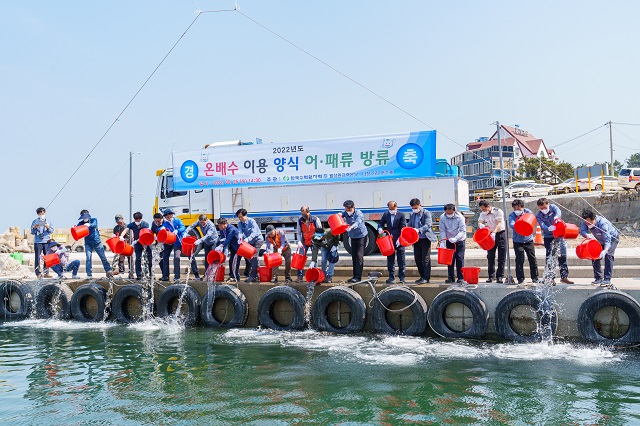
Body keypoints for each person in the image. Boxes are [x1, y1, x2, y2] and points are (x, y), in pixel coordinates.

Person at [535, 198, 573, 284]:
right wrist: (548, 228)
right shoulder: (539, 215)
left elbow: (558, 212)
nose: (543, 210)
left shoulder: (553, 208)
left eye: (545, 207)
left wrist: (556, 217)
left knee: (562, 255)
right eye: (541, 208)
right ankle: (550, 278)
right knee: (550, 257)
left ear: (548, 204)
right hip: (548, 237)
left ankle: (564, 276)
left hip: (559, 236)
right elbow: (542, 225)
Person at [579, 208, 619, 285]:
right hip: (599, 240)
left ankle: (607, 279)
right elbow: (582, 231)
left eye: (590, 223)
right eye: (586, 223)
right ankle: (598, 278)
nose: (588, 225)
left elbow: (607, 240)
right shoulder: (586, 221)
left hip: (612, 239)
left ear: (594, 219)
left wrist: (605, 250)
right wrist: (587, 235)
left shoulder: (603, 224)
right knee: (594, 255)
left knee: (608, 255)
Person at [509, 199, 539, 284]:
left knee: (532, 258)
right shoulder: (512, 215)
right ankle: (520, 278)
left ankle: (535, 277)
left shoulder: (527, 212)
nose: (517, 211)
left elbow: (532, 218)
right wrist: (519, 224)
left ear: (523, 207)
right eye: (515, 209)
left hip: (528, 240)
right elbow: (512, 224)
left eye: (519, 209)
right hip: (518, 241)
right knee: (519, 259)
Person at [408, 198, 437, 284]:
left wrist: (419, 230)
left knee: (425, 258)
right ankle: (422, 276)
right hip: (416, 240)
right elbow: (409, 224)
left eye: (416, 208)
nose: (414, 209)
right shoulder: (412, 214)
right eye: (413, 208)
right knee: (417, 258)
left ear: (420, 205)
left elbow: (428, 225)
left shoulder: (426, 213)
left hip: (425, 238)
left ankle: (426, 277)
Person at [377, 201, 407, 284]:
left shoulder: (401, 215)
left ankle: (402, 277)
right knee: (390, 259)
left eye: (393, 209)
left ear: (396, 207)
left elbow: (403, 227)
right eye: (390, 209)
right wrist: (379, 228)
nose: (391, 211)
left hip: (399, 239)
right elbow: (381, 223)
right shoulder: (386, 214)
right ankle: (391, 276)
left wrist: (400, 238)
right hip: (389, 240)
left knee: (401, 259)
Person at [77, 210, 113, 278]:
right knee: (88, 258)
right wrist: (75, 227)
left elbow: (94, 225)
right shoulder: (81, 223)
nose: (85, 219)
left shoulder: (94, 220)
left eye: (86, 217)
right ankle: (89, 274)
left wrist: (89, 225)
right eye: (83, 217)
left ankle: (108, 270)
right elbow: (77, 228)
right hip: (88, 243)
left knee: (103, 257)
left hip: (97, 242)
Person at [478, 200, 506, 283]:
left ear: (488, 207)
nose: (483, 211)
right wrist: (481, 225)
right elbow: (480, 221)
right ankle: (491, 275)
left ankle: (500, 276)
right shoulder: (483, 213)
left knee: (501, 256)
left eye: (484, 209)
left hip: (500, 233)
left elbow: (498, 224)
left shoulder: (498, 211)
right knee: (490, 256)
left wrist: (494, 232)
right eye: (481, 209)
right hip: (489, 234)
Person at [185, 214, 219, 280]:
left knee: (212, 258)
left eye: (203, 222)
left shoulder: (211, 225)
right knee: (207, 258)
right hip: (206, 242)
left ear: (207, 220)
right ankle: (207, 274)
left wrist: (200, 240)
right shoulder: (199, 222)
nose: (202, 224)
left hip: (213, 242)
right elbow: (193, 225)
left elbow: (208, 235)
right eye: (201, 223)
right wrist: (187, 230)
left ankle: (213, 274)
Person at [439, 204, 466, 284]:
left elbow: (462, 230)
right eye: (448, 213)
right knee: (449, 259)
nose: (449, 214)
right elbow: (442, 230)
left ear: (454, 211)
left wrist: (456, 238)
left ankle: (461, 277)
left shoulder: (460, 217)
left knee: (459, 258)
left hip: (460, 239)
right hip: (449, 239)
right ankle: (451, 277)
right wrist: (443, 241)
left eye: (451, 213)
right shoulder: (442, 217)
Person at [341, 200, 368, 283]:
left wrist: (351, 227)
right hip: (353, 237)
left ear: (353, 207)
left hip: (361, 236)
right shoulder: (345, 212)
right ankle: (354, 276)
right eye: (346, 209)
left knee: (359, 256)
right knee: (354, 256)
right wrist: (338, 215)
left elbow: (358, 222)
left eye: (349, 209)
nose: (348, 211)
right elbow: (339, 216)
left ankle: (358, 277)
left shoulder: (358, 213)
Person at [295, 206, 323, 282]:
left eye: (305, 215)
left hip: (314, 242)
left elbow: (320, 231)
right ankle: (299, 276)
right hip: (304, 242)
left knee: (315, 259)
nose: (304, 216)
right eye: (302, 214)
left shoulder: (315, 219)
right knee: (300, 258)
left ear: (308, 212)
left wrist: (317, 241)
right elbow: (298, 232)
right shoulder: (300, 221)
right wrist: (299, 241)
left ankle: (315, 275)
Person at [236, 209, 264, 283]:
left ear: (245, 215)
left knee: (254, 256)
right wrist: (240, 238)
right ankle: (257, 274)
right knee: (250, 257)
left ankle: (253, 276)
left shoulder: (252, 221)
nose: (240, 219)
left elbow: (254, 233)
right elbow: (240, 231)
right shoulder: (240, 223)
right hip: (250, 241)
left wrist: (248, 239)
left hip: (257, 240)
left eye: (241, 217)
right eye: (239, 217)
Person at [160, 209, 186, 283]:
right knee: (171, 258)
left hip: (180, 242)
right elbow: (161, 228)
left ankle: (195, 275)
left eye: (169, 214)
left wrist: (178, 230)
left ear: (172, 214)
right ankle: (171, 276)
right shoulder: (166, 223)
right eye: (166, 215)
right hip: (173, 243)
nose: (168, 216)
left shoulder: (177, 220)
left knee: (183, 257)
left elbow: (183, 227)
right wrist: (161, 229)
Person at [127, 212, 152, 280]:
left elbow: (143, 235)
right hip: (138, 245)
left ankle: (151, 274)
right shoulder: (132, 224)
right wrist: (121, 236)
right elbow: (126, 229)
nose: (137, 221)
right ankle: (139, 274)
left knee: (149, 258)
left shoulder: (145, 224)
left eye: (139, 219)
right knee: (138, 259)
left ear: (141, 218)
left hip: (146, 242)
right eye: (136, 220)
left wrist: (135, 241)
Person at [31, 207, 54, 278]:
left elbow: (51, 231)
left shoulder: (49, 221)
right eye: (39, 213)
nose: (41, 214)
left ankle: (46, 272)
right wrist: (34, 227)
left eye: (42, 212)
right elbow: (32, 232)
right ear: (38, 214)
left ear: (45, 212)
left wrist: (47, 227)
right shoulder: (35, 221)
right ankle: (38, 273)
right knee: (37, 257)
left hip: (46, 241)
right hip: (38, 241)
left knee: (47, 257)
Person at [217, 217, 240, 282]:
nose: (219, 227)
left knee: (237, 262)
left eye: (220, 225)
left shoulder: (231, 229)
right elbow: (223, 237)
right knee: (231, 261)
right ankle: (232, 276)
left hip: (239, 246)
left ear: (225, 224)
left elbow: (228, 238)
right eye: (218, 226)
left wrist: (221, 245)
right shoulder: (222, 229)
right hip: (232, 247)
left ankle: (237, 276)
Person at [113, 214, 133, 278]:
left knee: (130, 258)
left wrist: (124, 239)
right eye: (117, 222)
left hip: (128, 245)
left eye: (120, 222)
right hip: (120, 246)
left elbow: (130, 237)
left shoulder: (127, 227)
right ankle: (121, 272)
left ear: (123, 219)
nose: (119, 223)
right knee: (120, 259)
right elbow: (115, 235)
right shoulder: (116, 228)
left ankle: (131, 271)